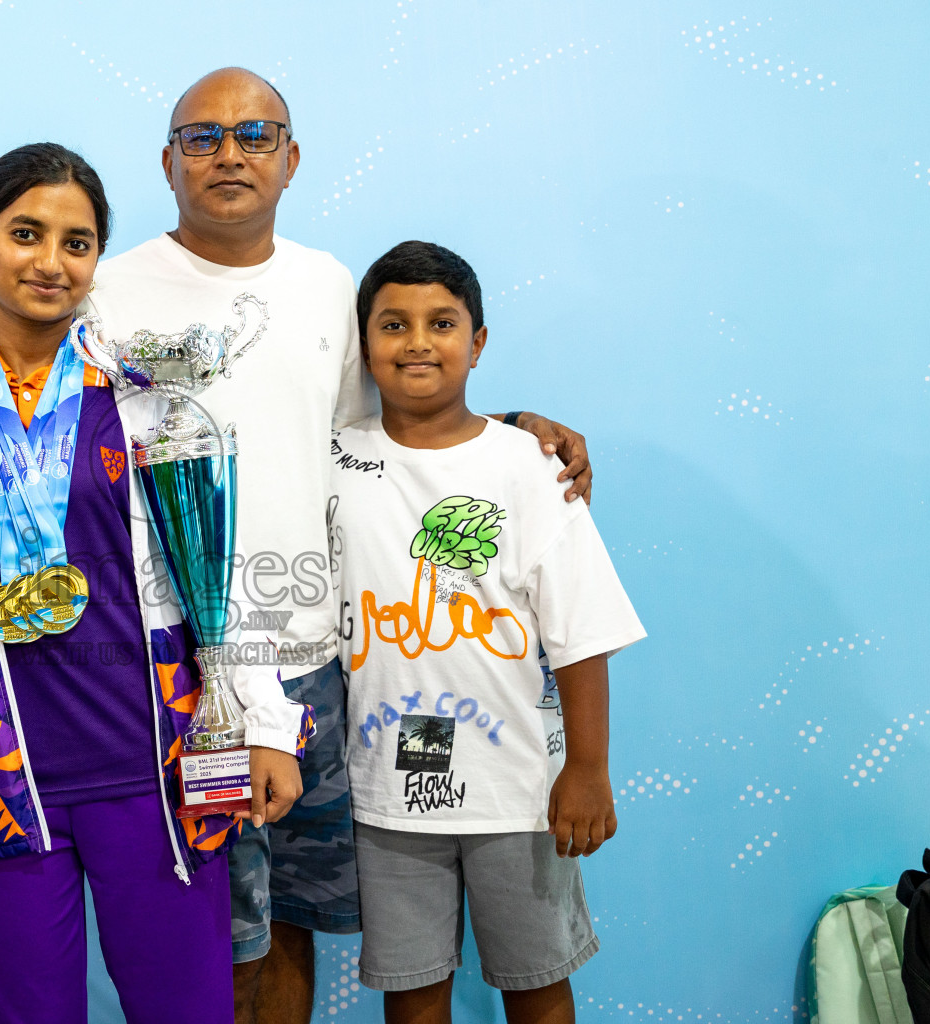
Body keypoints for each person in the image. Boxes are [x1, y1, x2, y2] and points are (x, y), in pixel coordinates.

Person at [85, 67, 596, 1024]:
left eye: (254, 133)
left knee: (291, 920)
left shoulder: (326, 288)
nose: (228, 153)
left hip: (317, 666)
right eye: (201, 137)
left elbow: (395, 433)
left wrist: (516, 425)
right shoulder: (106, 295)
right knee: (203, 922)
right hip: (167, 667)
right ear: (166, 161)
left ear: (292, 159)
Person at [0, 142, 312, 1024]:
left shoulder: (146, 391)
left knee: (187, 1011)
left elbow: (219, 562)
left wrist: (266, 723)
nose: (50, 262)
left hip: (155, 765)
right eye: (26, 233)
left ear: (98, 257)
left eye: (78, 242)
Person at [330, 241, 647, 1023]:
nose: (416, 342)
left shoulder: (529, 466)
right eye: (392, 324)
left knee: (537, 983)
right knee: (411, 989)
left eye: (442, 323)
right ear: (363, 345)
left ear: (477, 342)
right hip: (385, 795)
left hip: (517, 790)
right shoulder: (332, 460)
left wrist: (589, 769)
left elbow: (581, 628)